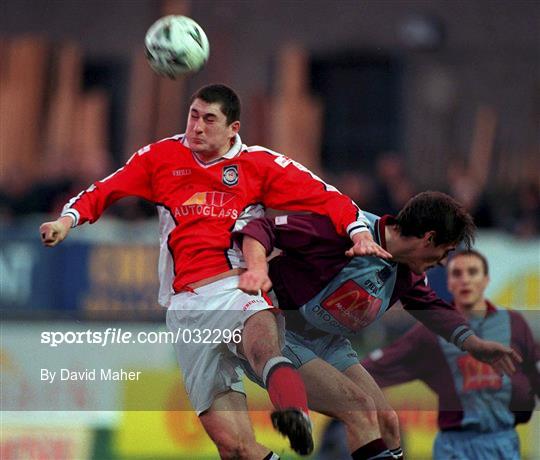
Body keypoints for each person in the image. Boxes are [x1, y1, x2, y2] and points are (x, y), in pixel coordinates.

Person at [39, 84, 391, 459]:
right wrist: (67, 220)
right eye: (193, 116)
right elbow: (106, 189)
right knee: (234, 447)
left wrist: (357, 232)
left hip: (235, 288)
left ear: (233, 128)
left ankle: (293, 411)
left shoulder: (260, 165)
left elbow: (327, 197)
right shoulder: (161, 157)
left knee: (262, 347)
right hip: (185, 309)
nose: (197, 127)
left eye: (209, 120)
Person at [233, 191, 522, 460]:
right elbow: (266, 228)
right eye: (445, 252)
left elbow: (433, 309)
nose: (443, 263)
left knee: (387, 422)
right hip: (282, 332)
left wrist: (476, 346)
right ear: (429, 239)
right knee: (359, 408)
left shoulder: (407, 272)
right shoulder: (345, 229)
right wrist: (256, 268)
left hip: (329, 342)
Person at [362, 249, 539, 460]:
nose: (465, 280)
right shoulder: (430, 331)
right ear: (448, 283)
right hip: (455, 447)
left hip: (503, 440)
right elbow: (373, 368)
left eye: (472, 272)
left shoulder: (514, 324)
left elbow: (533, 373)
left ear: (486, 280)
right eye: (457, 274)